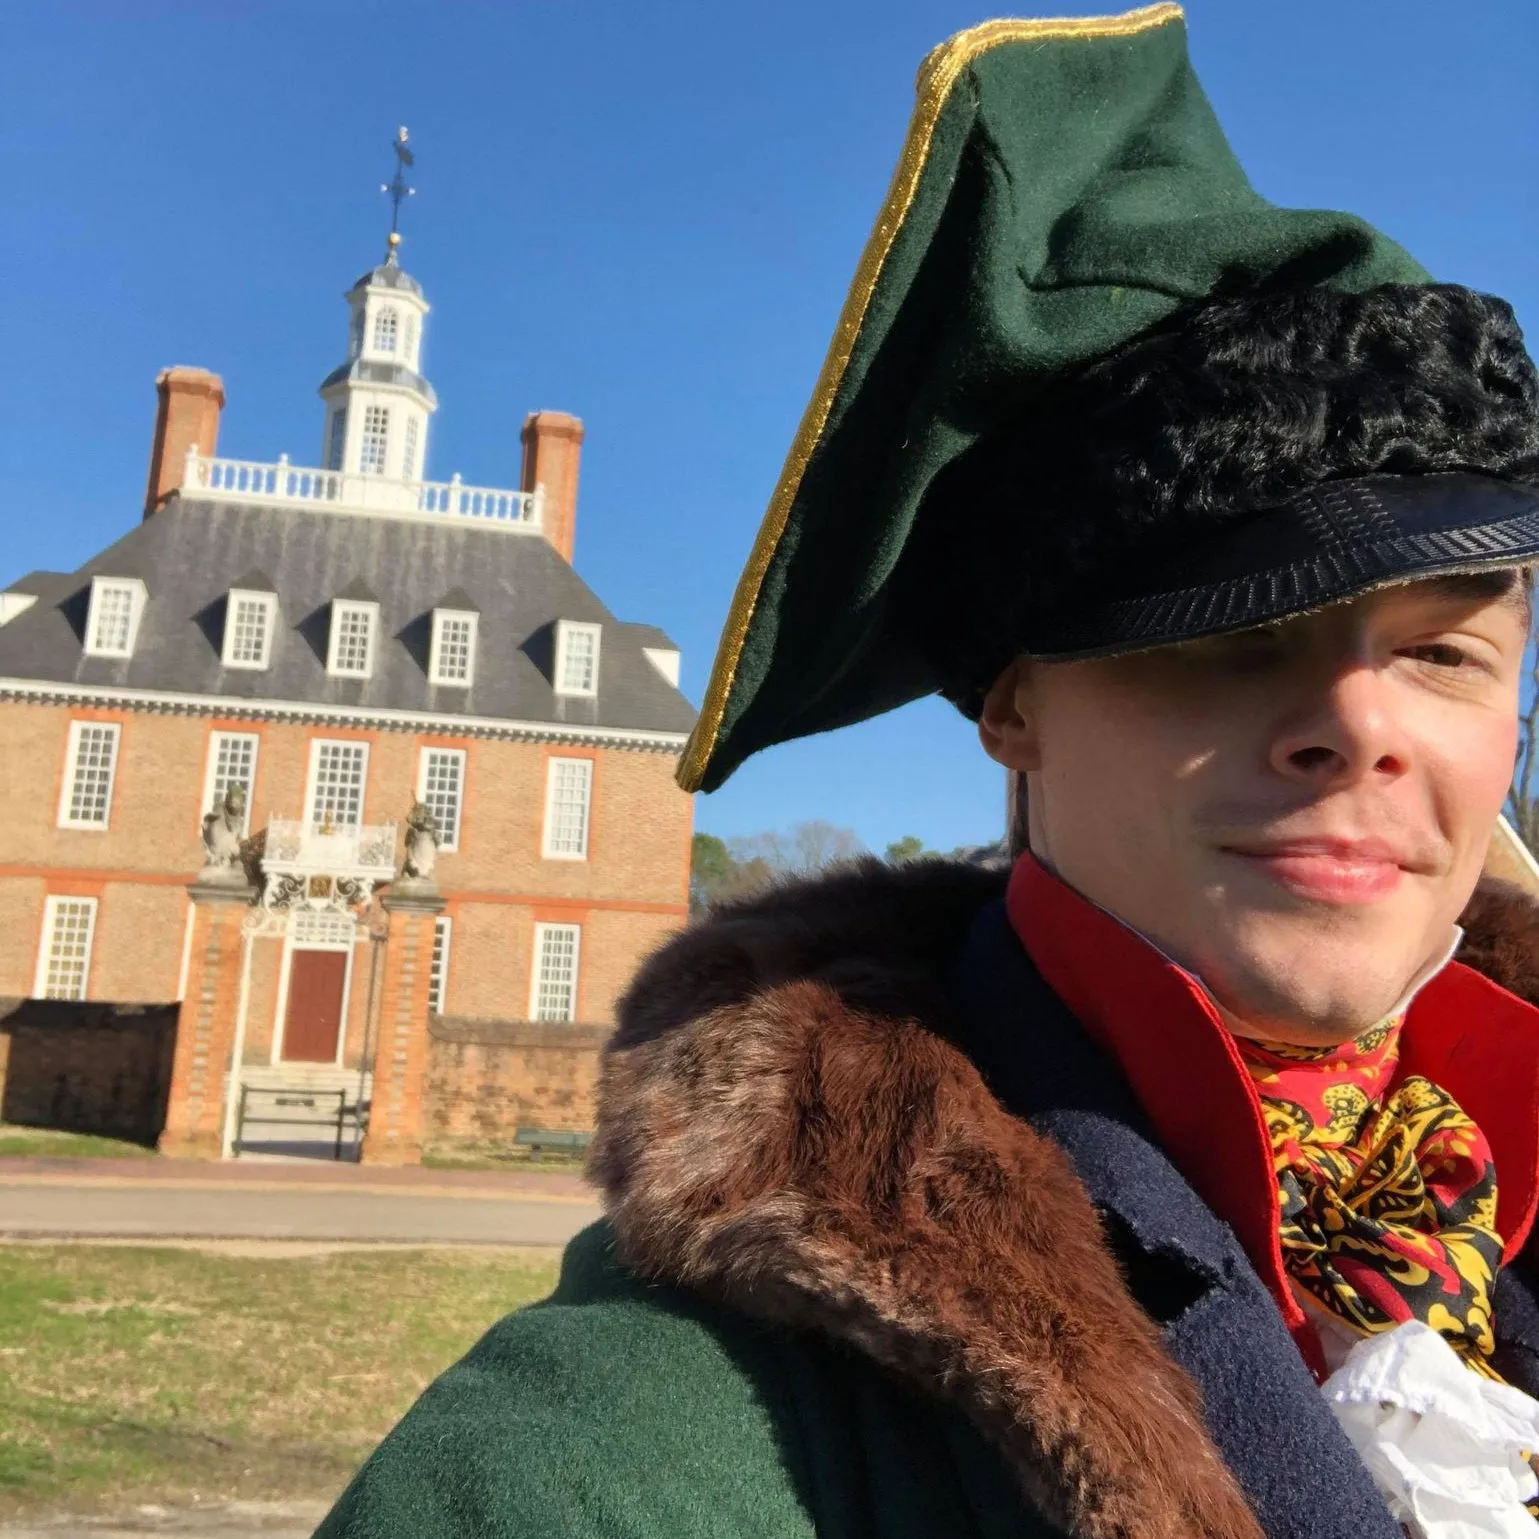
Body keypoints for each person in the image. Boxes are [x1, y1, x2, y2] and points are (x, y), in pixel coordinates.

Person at [316, 8, 1539, 1537]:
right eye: (1231, 634)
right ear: (1011, 703)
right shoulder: (654, 1427)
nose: (1361, 724)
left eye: (1445, 654)